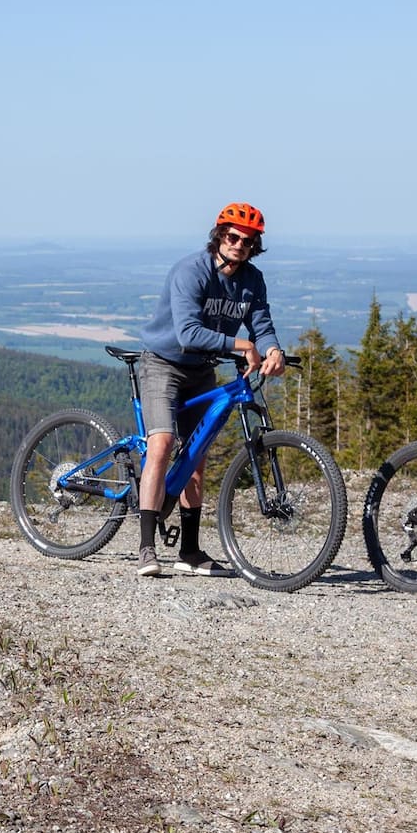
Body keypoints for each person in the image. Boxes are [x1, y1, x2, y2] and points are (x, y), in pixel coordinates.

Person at [133, 202, 286, 577]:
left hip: (202, 369)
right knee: (163, 443)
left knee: (197, 458)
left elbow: (261, 324)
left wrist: (272, 349)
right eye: (233, 237)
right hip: (163, 363)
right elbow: (187, 333)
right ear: (219, 236)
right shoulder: (191, 271)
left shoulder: (252, 280)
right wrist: (241, 346)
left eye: (248, 241)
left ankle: (189, 552)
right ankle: (146, 548)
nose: (239, 245)